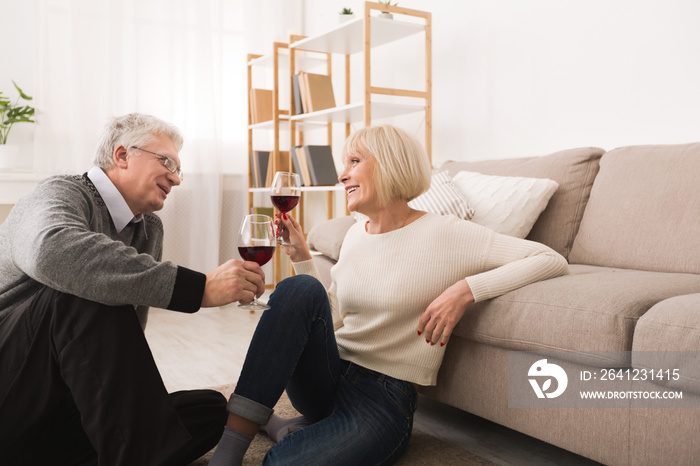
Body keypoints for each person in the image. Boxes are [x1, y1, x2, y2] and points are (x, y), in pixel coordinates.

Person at [209, 124, 570, 466]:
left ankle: (285, 428)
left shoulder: (448, 233)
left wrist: (466, 291)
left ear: (390, 164)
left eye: (354, 161)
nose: (342, 175)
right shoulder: (354, 234)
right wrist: (302, 258)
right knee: (297, 288)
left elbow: (548, 258)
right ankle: (229, 451)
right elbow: (332, 315)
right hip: (330, 373)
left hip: (383, 397)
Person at [0, 113, 266, 465]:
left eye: (179, 169)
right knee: (85, 289)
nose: (175, 177)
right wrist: (198, 288)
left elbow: (121, 340)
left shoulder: (148, 229)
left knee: (212, 410)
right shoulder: (60, 192)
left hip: (60, 405)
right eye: (167, 161)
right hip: (13, 386)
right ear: (122, 155)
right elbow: (50, 252)